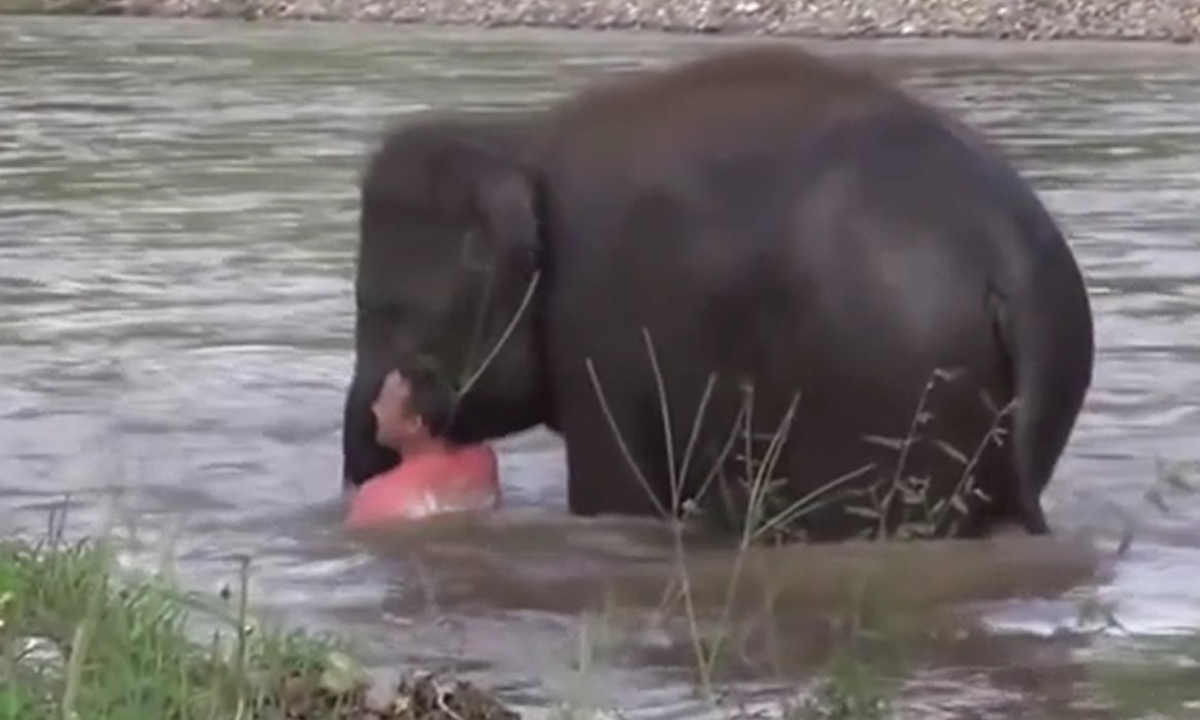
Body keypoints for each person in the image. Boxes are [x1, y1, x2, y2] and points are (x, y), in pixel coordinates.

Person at [345, 366, 501, 530]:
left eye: (384, 402)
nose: (374, 408)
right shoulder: (483, 460)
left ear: (414, 423)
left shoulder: (375, 497)